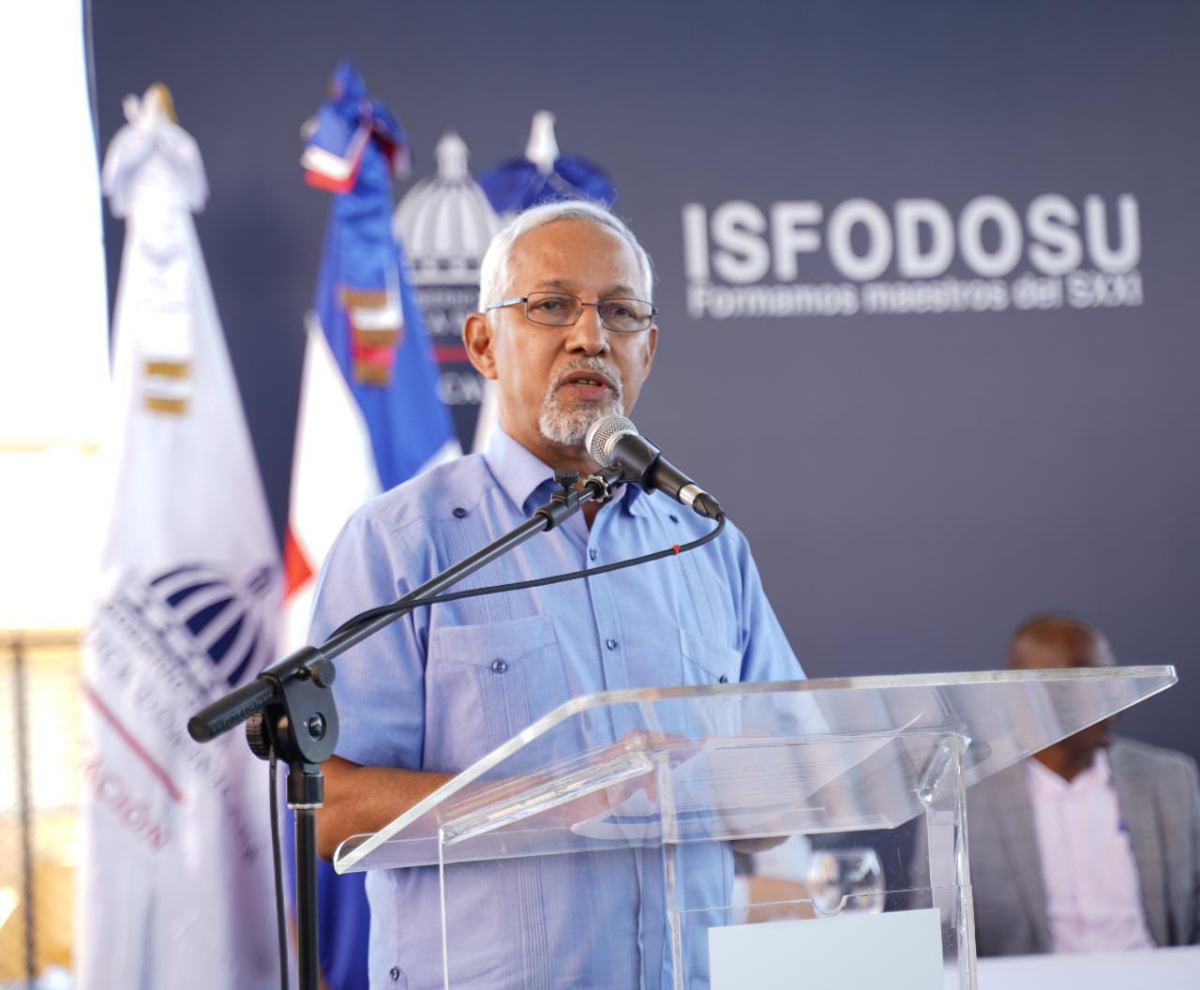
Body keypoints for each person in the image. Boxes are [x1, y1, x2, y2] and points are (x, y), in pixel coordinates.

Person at [310, 199, 802, 988]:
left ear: (647, 350)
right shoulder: (402, 543)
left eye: (620, 312)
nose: (590, 337)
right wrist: (557, 797)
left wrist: (740, 786)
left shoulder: (708, 543)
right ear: (483, 343)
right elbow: (331, 810)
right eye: (551, 306)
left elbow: (791, 783)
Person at [967, 614, 1200, 956]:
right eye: (1085, 679)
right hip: (1034, 979)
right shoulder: (968, 795)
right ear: (1025, 694)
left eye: (1110, 677)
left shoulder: (1169, 779)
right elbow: (941, 929)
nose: (1111, 695)